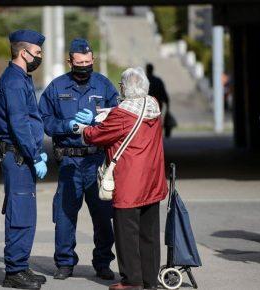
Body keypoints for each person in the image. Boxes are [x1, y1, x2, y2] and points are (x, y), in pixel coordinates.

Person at [72, 67, 168, 290]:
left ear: (125, 88)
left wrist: (83, 128)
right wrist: (109, 112)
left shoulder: (122, 115)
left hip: (129, 184)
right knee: (149, 234)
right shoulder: (152, 105)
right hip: (152, 182)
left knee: (126, 235)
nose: (120, 89)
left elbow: (96, 136)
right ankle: (149, 280)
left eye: (121, 85)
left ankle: (131, 281)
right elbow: (126, 113)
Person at [38, 38, 118, 280]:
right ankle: (65, 263)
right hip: (69, 162)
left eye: (87, 62)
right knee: (64, 216)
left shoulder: (104, 86)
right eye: (79, 62)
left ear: (93, 60)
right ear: (70, 61)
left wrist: (100, 122)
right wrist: (67, 125)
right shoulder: (56, 87)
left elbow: (118, 118)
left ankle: (103, 262)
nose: (83, 66)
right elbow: (44, 121)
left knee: (103, 217)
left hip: (96, 161)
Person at [0, 29, 48, 289]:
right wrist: (35, 154)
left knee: (26, 213)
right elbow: (19, 124)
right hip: (18, 156)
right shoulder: (15, 81)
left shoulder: (21, 77)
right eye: (37, 52)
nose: (40, 57)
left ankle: (21, 265)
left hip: (22, 155)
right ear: (23, 52)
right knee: (19, 213)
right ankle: (13, 271)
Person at [145, 63, 174, 138]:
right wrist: (168, 106)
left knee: (146, 124)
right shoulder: (158, 81)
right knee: (156, 123)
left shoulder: (144, 80)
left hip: (145, 106)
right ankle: (155, 138)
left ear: (147, 70)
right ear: (152, 70)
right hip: (157, 106)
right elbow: (164, 94)